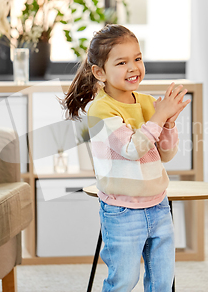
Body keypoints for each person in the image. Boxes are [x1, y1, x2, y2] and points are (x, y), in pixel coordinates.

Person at [62, 24, 190, 292]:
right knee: (124, 280)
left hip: (158, 206)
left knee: (162, 280)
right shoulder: (101, 109)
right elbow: (132, 149)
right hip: (122, 211)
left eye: (138, 58)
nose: (133, 67)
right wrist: (158, 116)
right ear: (100, 72)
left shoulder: (144, 102)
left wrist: (168, 122)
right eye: (122, 62)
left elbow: (166, 154)